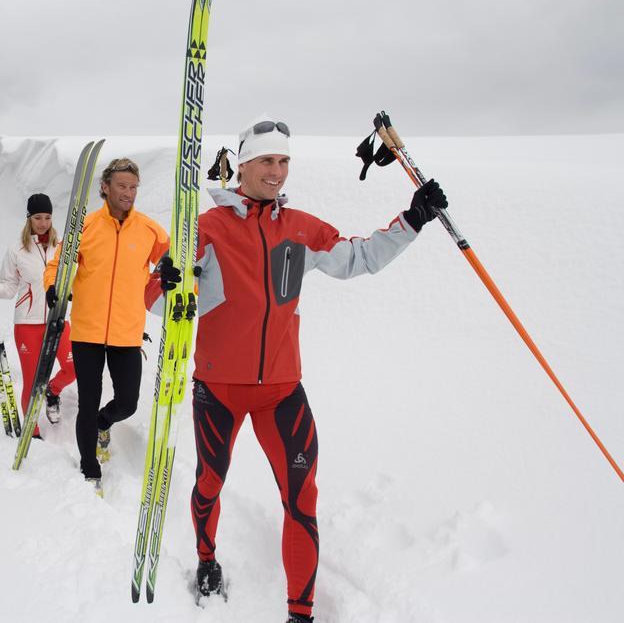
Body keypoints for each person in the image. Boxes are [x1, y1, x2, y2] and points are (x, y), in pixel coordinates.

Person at [160, 115, 448, 622]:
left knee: (302, 498)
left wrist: (412, 220)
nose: (277, 171)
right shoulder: (205, 228)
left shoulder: (301, 228)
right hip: (218, 388)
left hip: (281, 391)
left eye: (285, 161)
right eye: (267, 160)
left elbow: (357, 258)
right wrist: (167, 279)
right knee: (210, 481)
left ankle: (301, 612)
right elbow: (158, 302)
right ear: (243, 164)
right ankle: (207, 559)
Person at [44, 158, 168, 495]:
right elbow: (57, 264)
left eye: (133, 187)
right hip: (87, 330)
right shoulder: (84, 228)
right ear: (105, 187)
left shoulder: (149, 230)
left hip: (127, 331)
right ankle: (89, 467)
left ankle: (104, 422)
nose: (128, 193)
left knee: (127, 402)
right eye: (122, 186)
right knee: (88, 399)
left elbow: (170, 263)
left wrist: (170, 274)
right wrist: (54, 285)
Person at [0, 193, 76, 436]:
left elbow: (73, 276)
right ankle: (33, 431)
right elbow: (8, 287)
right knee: (31, 380)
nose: (43, 222)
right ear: (29, 218)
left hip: (58, 320)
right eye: (38, 217)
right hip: (28, 325)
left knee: (73, 368)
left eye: (48, 217)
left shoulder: (61, 247)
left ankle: (53, 391)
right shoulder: (16, 250)